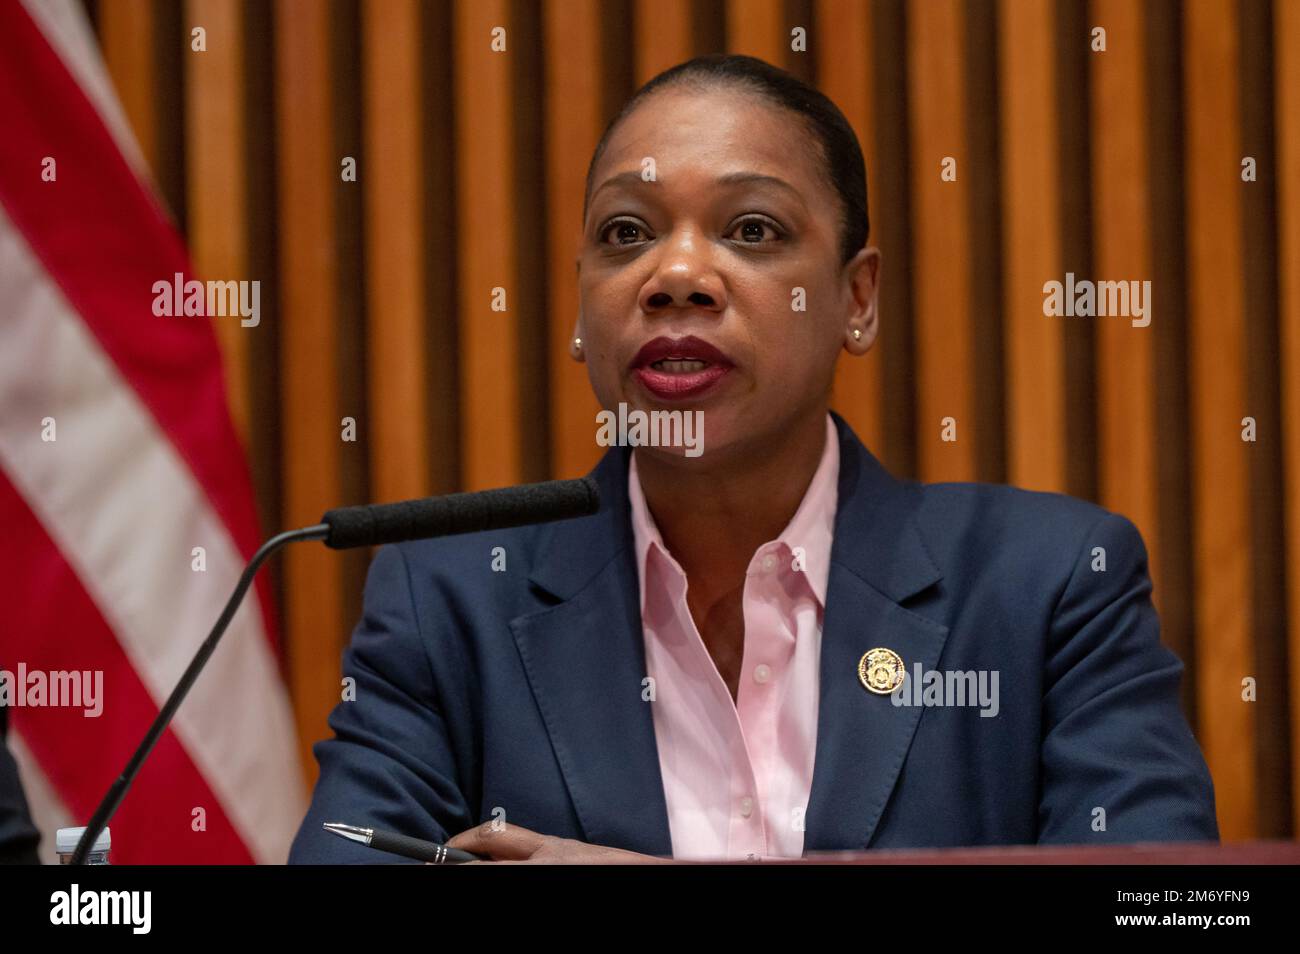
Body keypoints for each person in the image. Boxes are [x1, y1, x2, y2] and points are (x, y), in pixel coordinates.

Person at [289, 53, 1217, 863]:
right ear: (579, 311)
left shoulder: (1046, 587)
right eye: (626, 234)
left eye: (752, 230)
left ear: (856, 300)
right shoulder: (449, 603)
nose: (677, 275)